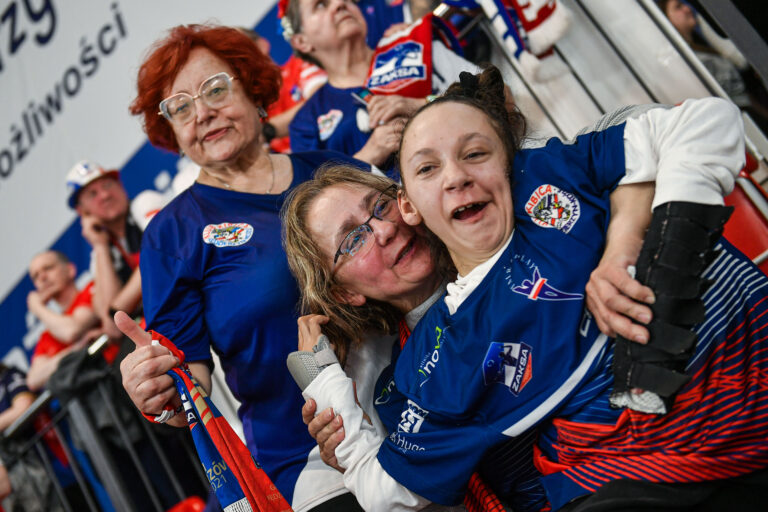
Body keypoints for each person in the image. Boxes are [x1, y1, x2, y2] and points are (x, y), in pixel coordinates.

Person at [288, 67, 768, 511]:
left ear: (402, 204)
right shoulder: (427, 365)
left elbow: (687, 124)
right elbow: (381, 491)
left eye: (378, 207)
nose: (382, 230)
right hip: (640, 479)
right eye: (352, 240)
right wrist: (323, 382)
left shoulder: (538, 178)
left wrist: (627, 243)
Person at [121, 24, 371, 512]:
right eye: (180, 107)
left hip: (416, 399)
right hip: (308, 459)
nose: (202, 113)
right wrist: (159, 391)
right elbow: (188, 386)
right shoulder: (173, 233)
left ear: (254, 92)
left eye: (215, 89)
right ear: (172, 132)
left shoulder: (332, 170)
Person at [281, 0, 478, 168]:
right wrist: (370, 154)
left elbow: (491, 89)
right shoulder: (305, 122)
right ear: (301, 41)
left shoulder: (414, 46)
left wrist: (423, 104)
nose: (340, 3)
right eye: (320, 4)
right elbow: (315, 193)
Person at [66, 160, 143, 337]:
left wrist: (116, 309)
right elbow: (111, 327)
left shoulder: (144, 203)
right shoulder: (99, 255)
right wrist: (100, 246)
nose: (105, 195)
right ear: (82, 212)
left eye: (108, 185)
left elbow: (163, 259)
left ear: (120, 186)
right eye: (92, 194)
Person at [26, 251, 115, 391]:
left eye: (48, 268)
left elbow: (72, 331)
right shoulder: (47, 335)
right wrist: (76, 349)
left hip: (117, 372)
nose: (42, 277)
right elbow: (33, 379)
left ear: (70, 270)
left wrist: (37, 308)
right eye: (36, 276)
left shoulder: (91, 290)